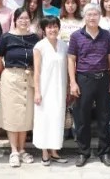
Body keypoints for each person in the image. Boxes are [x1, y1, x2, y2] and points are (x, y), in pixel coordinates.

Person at [68, 3, 110, 167]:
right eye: (89, 14)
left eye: (95, 14)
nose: (92, 17)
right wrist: (73, 82)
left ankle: (104, 152)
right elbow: (71, 60)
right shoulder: (76, 36)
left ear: (100, 16)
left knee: (104, 117)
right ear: (84, 16)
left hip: (103, 78)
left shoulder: (107, 35)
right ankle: (84, 152)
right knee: (82, 118)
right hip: (84, 79)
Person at [0, 7, 42, 166]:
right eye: (20, 18)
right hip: (11, 77)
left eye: (26, 18)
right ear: (15, 20)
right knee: (12, 114)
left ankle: (22, 149)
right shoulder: (6, 37)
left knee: (26, 115)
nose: (24, 21)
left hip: (29, 78)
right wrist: (5, 72)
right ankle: (14, 151)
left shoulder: (34, 38)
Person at [33, 16, 69, 165]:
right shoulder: (39, 46)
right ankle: (44, 152)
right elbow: (37, 72)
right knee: (44, 119)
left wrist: (68, 88)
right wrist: (37, 91)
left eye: (55, 26)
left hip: (60, 88)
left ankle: (54, 151)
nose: (52, 30)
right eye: (49, 27)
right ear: (44, 30)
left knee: (57, 119)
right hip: (45, 89)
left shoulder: (64, 46)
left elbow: (67, 68)